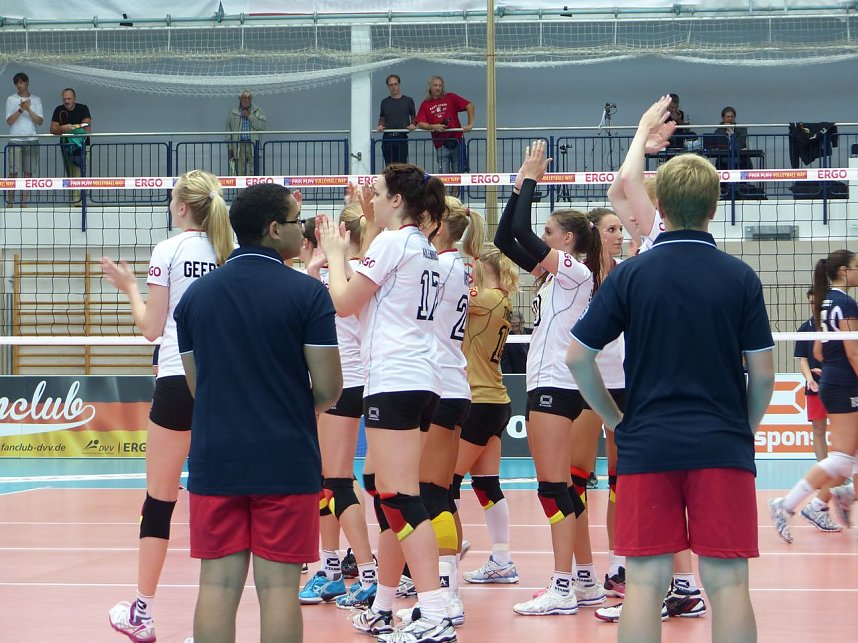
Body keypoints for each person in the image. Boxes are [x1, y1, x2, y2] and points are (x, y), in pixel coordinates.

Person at [567, 152, 775, 643]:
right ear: (714, 207)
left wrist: (616, 421)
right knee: (728, 584)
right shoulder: (739, 277)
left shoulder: (631, 274)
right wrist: (742, 430)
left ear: (659, 206)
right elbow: (763, 376)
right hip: (721, 445)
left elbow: (578, 357)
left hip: (648, 445)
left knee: (643, 582)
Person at [173, 182, 342, 643]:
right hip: (285, 459)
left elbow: (197, 385)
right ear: (273, 230)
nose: (302, 230)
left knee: (216, 585)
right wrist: (285, 409)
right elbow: (328, 388)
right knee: (280, 590)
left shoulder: (194, 297)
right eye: (295, 221)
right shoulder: (307, 294)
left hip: (216, 457)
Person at [317, 164, 456, 643]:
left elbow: (343, 301)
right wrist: (367, 216)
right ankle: (384, 603)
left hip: (395, 377)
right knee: (385, 487)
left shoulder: (393, 244)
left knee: (398, 496)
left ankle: (434, 611)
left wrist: (336, 255)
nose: (371, 200)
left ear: (397, 200)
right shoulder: (420, 245)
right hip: (420, 377)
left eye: (377, 194)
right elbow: (386, 260)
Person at [104, 170, 234, 643]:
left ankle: (142, 611)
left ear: (181, 208)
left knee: (159, 500)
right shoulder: (231, 250)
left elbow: (152, 329)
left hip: (180, 380)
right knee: (218, 500)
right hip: (227, 388)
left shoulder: (170, 250)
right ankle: (211, 626)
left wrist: (129, 288)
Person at [599, 99, 710, 626]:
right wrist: (644, 147)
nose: (624, 218)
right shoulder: (653, 244)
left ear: (659, 208)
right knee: (671, 488)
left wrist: (643, 132)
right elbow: (618, 189)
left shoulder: (662, 240)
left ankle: (675, 584)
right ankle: (683, 585)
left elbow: (625, 181)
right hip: (673, 379)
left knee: (664, 487)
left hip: (661, 387)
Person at [494, 140, 605, 617]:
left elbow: (519, 227)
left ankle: (562, 587)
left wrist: (531, 180)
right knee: (563, 487)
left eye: (549, 232)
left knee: (553, 487)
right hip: (552, 383)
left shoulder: (576, 273)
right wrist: (520, 181)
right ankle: (584, 582)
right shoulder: (553, 276)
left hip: (558, 385)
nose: (539, 236)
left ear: (567, 241)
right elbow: (504, 237)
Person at [392, 196, 485, 629]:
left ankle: (444, 596)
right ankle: (448, 590)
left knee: (428, 493)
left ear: (437, 225)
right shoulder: (463, 266)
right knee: (441, 493)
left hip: (440, 381)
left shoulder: (439, 265)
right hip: (457, 381)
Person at [770, 249, 858, 543]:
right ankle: (788, 504)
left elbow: (819, 351)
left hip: (835, 378)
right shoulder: (846, 303)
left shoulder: (825, 303)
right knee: (842, 458)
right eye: (857, 267)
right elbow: (853, 352)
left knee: (850, 458)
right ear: (844, 271)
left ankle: (835, 498)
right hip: (846, 382)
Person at [452, 243, 520, 585]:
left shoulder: (489, 298)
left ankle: (444, 556)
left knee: (443, 483)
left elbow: (452, 302)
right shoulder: (502, 299)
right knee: (486, 483)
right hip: (495, 400)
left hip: (479, 401)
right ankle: (502, 560)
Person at [415, 76, 474, 191]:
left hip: (456, 140)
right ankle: (445, 202)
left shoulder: (450, 97)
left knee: (458, 173)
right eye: (435, 85)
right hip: (440, 143)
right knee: (444, 176)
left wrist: (470, 124)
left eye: (440, 85)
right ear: (430, 87)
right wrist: (434, 127)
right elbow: (420, 123)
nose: (438, 88)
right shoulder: (426, 104)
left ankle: (455, 200)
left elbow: (470, 105)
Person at [795, 289, 829, 463]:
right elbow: (803, 360)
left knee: (843, 430)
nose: (814, 306)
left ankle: (843, 472)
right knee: (818, 428)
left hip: (837, 384)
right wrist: (809, 379)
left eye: (818, 302)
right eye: (811, 302)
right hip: (815, 386)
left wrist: (830, 371)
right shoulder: (804, 329)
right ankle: (825, 470)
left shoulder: (836, 326)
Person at [5, 71, 43, 207]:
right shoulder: (11, 99)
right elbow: (9, 121)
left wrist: (28, 109)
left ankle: (24, 203)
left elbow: (39, 121)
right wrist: (21, 110)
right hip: (15, 140)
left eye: (21, 82)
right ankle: (9, 203)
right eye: (17, 83)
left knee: (28, 173)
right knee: (13, 172)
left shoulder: (37, 100)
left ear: (27, 82)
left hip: (31, 140)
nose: (19, 85)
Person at [50, 87, 91, 206]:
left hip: (82, 146)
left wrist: (71, 128)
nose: (66, 101)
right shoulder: (59, 110)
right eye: (64, 99)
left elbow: (87, 125)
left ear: (74, 99)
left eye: (69, 99)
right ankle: (75, 201)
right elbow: (53, 129)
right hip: (67, 146)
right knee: (71, 173)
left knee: (78, 171)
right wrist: (63, 129)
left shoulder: (83, 108)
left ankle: (77, 203)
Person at [378, 74, 416, 166]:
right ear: (388, 86)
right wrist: (380, 125)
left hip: (401, 137)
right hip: (387, 138)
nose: (393, 87)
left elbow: (414, 115)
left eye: (395, 84)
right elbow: (382, 117)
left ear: (399, 84)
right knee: (389, 166)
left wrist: (413, 124)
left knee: (402, 166)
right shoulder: (384, 102)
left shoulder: (408, 100)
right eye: (391, 85)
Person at [226, 89, 266, 176]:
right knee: (240, 174)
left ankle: (255, 190)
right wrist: (230, 148)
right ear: (239, 98)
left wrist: (249, 116)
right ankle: (241, 190)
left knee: (255, 174)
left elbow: (262, 127)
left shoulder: (257, 111)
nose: (246, 100)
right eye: (244, 98)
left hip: (253, 145)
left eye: (249, 98)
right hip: (238, 146)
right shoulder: (233, 111)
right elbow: (228, 131)